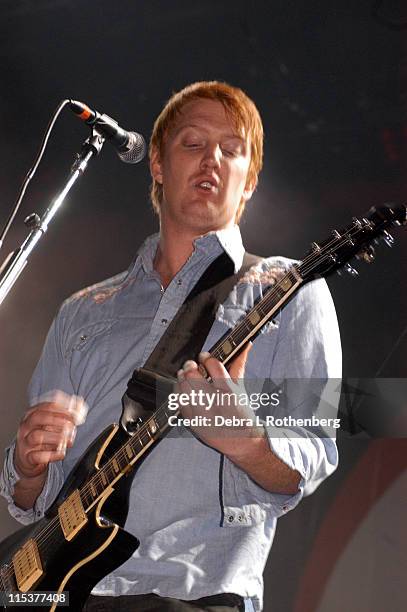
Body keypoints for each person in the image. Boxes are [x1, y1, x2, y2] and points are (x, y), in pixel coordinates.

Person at [0, 81, 341, 611]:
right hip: (58, 594)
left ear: (248, 182)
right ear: (156, 164)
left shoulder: (291, 291)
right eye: (193, 144)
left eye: (232, 150)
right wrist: (28, 466)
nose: (212, 160)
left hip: (192, 591)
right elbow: (34, 505)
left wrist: (246, 438)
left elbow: (315, 451)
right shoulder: (83, 310)